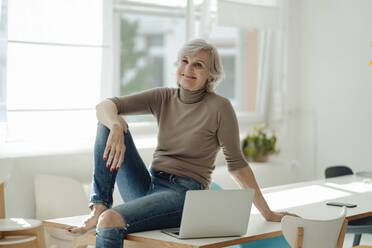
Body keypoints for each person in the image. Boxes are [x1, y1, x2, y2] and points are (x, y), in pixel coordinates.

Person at [68, 39, 296, 247]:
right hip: (150, 186)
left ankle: (104, 214)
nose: (188, 69)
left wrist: (267, 213)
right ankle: (99, 206)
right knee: (108, 123)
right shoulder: (164, 97)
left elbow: (237, 166)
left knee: (111, 220)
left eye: (198, 65)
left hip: (184, 195)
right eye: (185, 61)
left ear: (211, 76)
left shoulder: (220, 107)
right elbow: (104, 106)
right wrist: (117, 127)